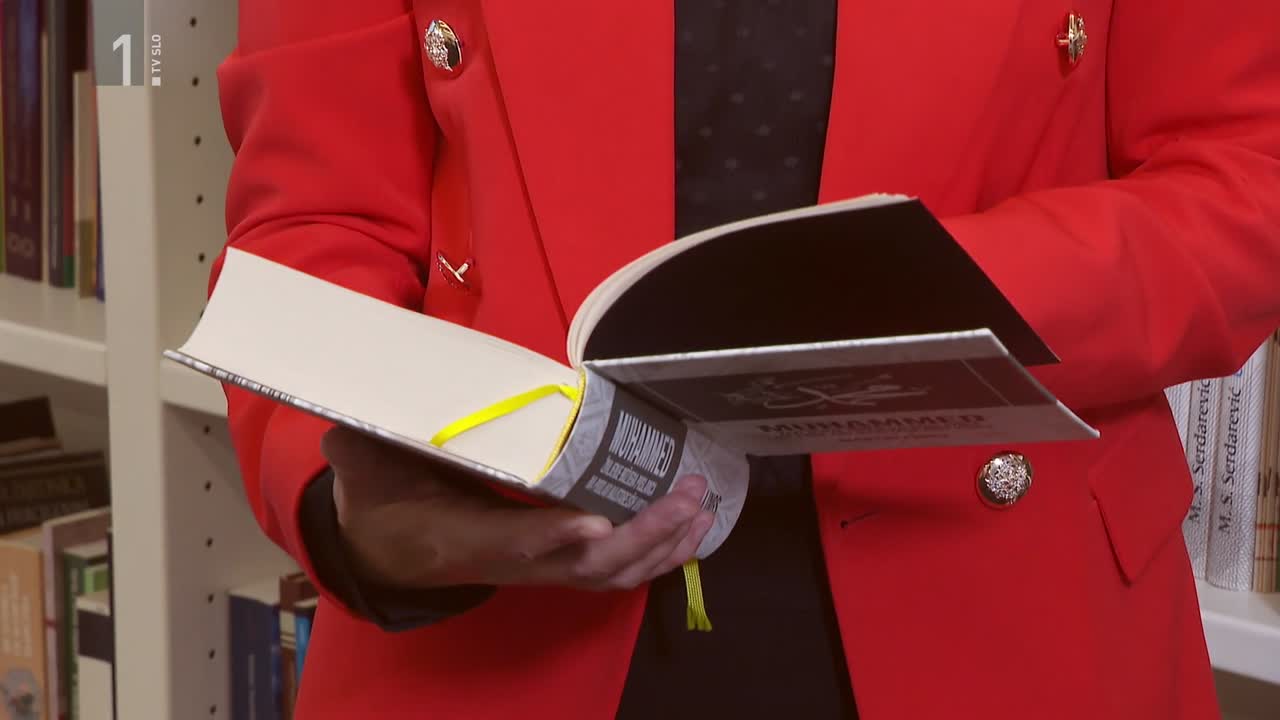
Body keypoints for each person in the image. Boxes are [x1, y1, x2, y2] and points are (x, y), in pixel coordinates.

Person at [210, 1, 1280, 718]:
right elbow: (314, 224)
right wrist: (350, 515)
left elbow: (1243, 186)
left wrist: (924, 293)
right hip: (497, 605)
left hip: (1008, 611)